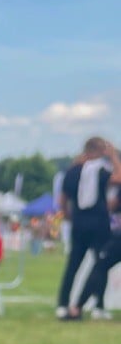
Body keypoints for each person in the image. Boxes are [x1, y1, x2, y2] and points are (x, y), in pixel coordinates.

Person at [56, 136, 121, 319]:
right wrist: (114, 156)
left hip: (79, 222)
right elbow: (119, 177)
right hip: (99, 223)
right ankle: (98, 306)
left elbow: (62, 199)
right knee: (101, 265)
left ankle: (62, 304)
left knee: (72, 266)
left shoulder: (72, 171)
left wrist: (69, 217)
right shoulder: (100, 170)